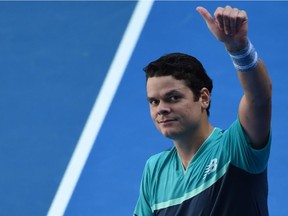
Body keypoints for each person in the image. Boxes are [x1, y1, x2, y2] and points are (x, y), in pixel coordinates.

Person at [133, 5, 272, 216]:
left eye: (173, 98)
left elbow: (259, 99)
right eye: (154, 101)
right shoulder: (155, 170)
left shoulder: (235, 149)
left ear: (204, 98)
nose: (161, 109)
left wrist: (239, 49)